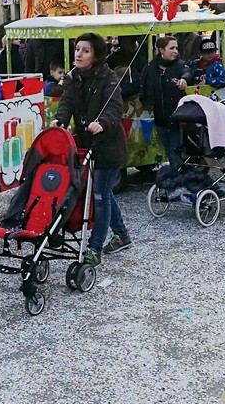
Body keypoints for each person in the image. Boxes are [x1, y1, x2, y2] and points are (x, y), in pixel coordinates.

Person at [52, 32, 131, 263]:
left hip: (108, 146)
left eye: (85, 51)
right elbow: (67, 102)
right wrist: (60, 120)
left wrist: (102, 123)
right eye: (78, 49)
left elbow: (114, 107)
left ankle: (94, 248)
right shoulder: (73, 77)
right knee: (103, 193)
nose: (79, 54)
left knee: (100, 196)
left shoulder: (109, 78)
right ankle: (122, 235)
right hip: (86, 145)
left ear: (96, 56)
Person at [139, 36, 190, 180]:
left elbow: (187, 72)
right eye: (171, 48)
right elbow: (143, 86)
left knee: (174, 149)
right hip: (159, 117)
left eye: (176, 48)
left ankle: (181, 178)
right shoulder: (150, 67)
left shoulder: (180, 65)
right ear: (161, 50)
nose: (175, 51)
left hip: (176, 117)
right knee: (167, 148)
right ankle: (179, 176)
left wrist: (184, 80)